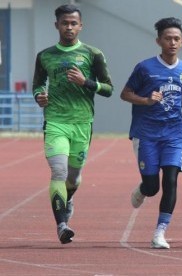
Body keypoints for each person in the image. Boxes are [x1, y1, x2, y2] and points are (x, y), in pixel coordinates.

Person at [32, 4, 113, 244]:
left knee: (74, 178)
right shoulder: (45, 55)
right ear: (56, 25)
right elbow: (37, 84)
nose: (69, 27)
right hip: (56, 121)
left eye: (73, 23)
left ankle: (68, 198)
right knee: (59, 171)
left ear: (80, 26)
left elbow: (108, 88)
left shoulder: (92, 54)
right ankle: (62, 226)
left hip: (82, 123)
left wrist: (86, 82)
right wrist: (39, 96)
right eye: (65, 23)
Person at [120, 17, 182, 249]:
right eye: (167, 38)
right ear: (158, 41)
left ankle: (160, 232)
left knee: (171, 180)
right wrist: (145, 99)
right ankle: (143, 189)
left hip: (174, 134)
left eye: (176, 39)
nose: (172, 42)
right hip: (147, 134)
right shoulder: (145, 68)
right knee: (153, 186)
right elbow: (125, 94)